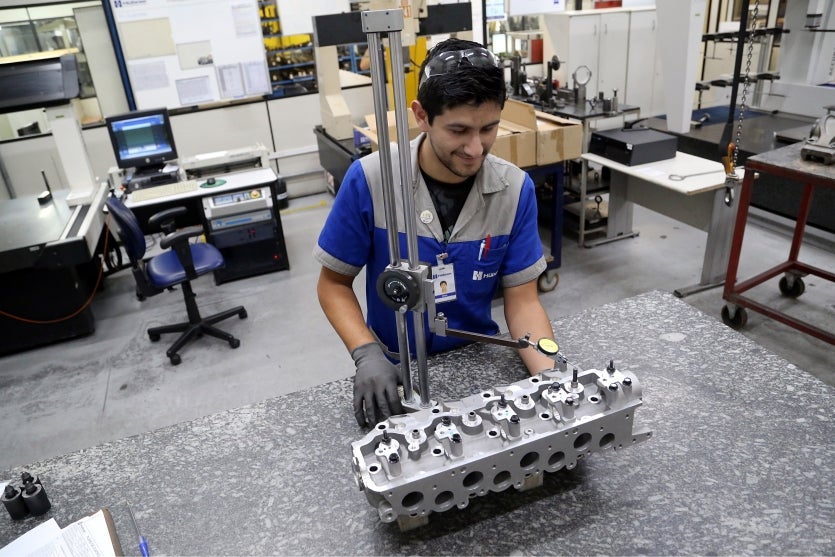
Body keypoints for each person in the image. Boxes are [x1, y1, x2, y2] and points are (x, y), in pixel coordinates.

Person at [314, 38, 555, 428]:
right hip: (397, 369)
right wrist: (366, 353)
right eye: (458, 130)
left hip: (479, 360)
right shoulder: (371, 180)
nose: (475, 149)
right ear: (422, 116)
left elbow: (524, 302)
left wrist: (551, 381)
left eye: (489, 128)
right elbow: (333, 284)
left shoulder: (514, 190)